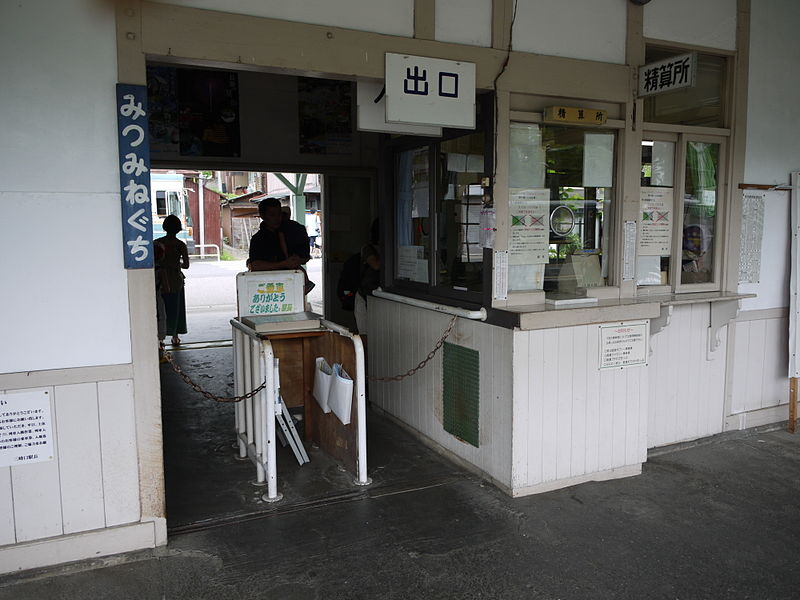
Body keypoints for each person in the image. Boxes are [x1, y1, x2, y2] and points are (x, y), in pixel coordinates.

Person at [154, 214, 189, 346]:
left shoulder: (157, 243)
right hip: (175, 279)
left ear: (164, 227)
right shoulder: (180, 245)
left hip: (160, 280)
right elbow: (186, 265)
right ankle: (175, 336)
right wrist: (175, 264)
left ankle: (160, 338)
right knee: (176, 308)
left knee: (161, 307)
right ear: (178, 229)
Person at [355, 219, 380, 337]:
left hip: (377, 296)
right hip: (365, 294)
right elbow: (375, 265)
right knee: (365, 334)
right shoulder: (367, 249)